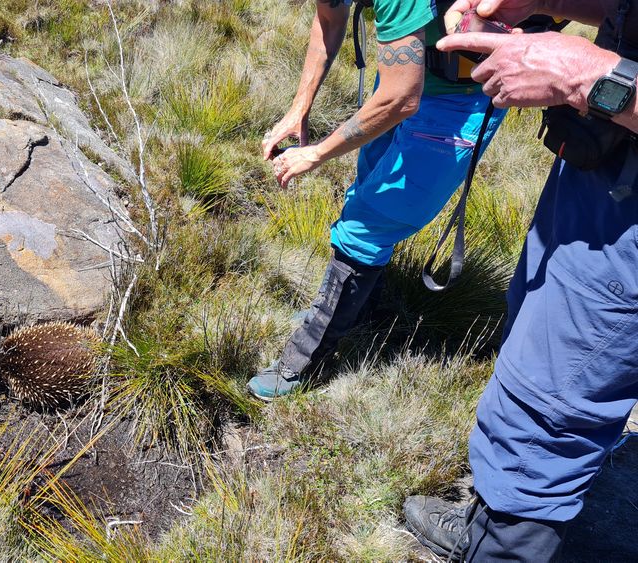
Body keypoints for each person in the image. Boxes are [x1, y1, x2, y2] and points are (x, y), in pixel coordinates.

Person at [402, 0, 638, 560]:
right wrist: (550, 4)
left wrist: (591, 78)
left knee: (546, 418)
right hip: (595, 183)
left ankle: (504, 546)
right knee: (529, 355)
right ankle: (487, 524)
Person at [248, 0, 512, 400]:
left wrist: (316, 153)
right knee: (366, 190)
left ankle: (305, 359)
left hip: (457, 101)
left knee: (369, 223)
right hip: (401, 77)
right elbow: (329, 19)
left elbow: (401, 98)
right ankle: (352, 313)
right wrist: (298, 109)